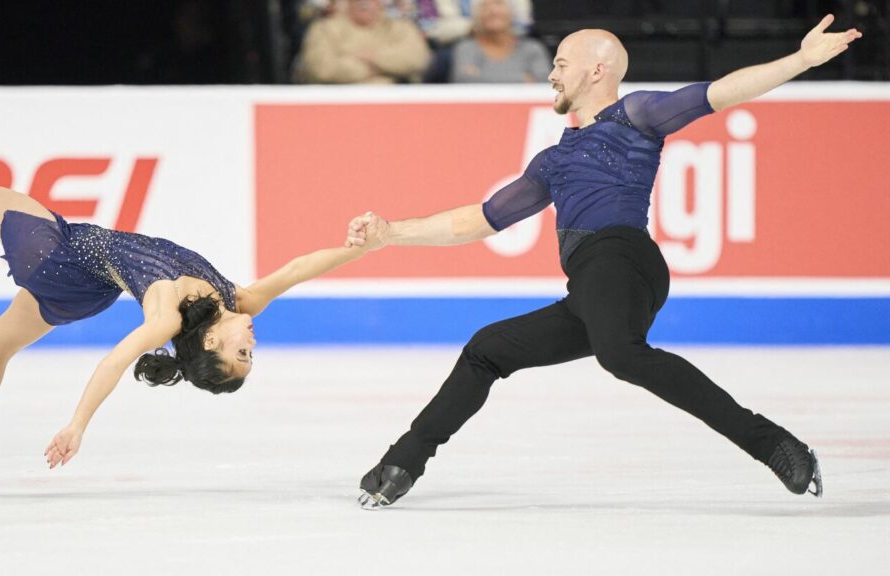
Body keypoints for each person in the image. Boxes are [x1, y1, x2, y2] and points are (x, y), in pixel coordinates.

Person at [349, 15, 861, 508]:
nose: (551, 73)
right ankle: (401, 464)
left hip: (620, 256)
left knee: (619, 354)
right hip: (592, 287)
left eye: (562, 62)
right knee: (487, 349)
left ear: (598, 70)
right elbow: (479, 220)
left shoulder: (634, 115)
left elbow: (719, 93)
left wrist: (800, 59)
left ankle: (772, 443)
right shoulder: (553, 161)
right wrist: (391, 232)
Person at [0, 124, 380, 498]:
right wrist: (353, 251)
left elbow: (114, 361)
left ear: (211, 342)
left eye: (242, 355)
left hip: (56, 258)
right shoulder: (237, 300)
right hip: (88, 289)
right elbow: (297, 270)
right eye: (250, 357)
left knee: (0, 202)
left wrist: (78, 424)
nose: (252, 347)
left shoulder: (169, 315)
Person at [296, 0, 431, 84]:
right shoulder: (325, 28)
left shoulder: (399, 27)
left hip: (393, 98)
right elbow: (321, 68)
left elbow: (417, 59)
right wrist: (369, 70)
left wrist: (374, 57)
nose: (364, 2)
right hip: (337, 99)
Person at [450, 0, 550, 83]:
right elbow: (464, 80)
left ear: (513, 11)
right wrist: (523, 79)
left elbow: (543, 81)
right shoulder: (466, 48)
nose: (492, 11)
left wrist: (481, 76)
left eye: (499, 3)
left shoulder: (532, 48)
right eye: (484, 6)